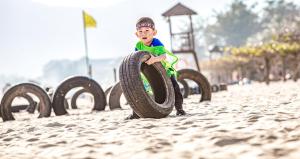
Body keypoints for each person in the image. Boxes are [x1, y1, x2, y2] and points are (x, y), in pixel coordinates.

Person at [126, 17, 186, 120]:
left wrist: (154, 59)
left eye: (147, 31)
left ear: (154, 32)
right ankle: (136, 113)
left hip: (164, 71)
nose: (143, 34)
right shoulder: (138, 46)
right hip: (148, 73)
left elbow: (163, 56)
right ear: (136, 34)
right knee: (139, 91)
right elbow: (135, 59)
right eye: (140, 31)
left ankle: (179, 109)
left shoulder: (156, 42)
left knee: (175, 88)